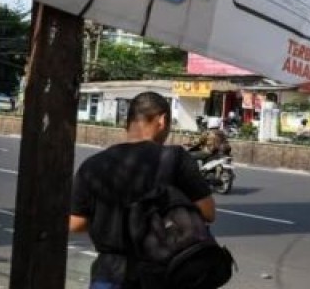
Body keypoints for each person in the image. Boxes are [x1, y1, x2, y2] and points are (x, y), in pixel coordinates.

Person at [69, 92, 216, 289]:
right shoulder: (175, 159)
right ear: (162, 120)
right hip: (164, 272)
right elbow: (208, 212)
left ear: (127, 122)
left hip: (110, 274)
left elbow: (76, 224)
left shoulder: (92, 165)